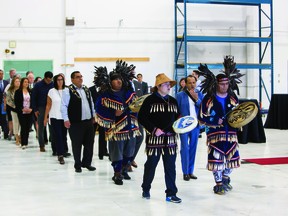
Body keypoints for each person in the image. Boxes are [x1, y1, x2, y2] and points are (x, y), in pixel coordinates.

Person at [197, 55, 244, 195]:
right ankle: (218, 184)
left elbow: (240, 113)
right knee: (216, 161)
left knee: (232, 160)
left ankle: (225, 178)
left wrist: (240, 122)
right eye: (222, 84)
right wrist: (213, 121)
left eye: (227, 84)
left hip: (231, 135)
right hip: (215, 136)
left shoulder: (233, 97)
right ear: (216, 84)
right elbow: (201, 117)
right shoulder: (208, 99)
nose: (225, 86)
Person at [94, 61, 141, 185]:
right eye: (115, 80)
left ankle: (125, 169)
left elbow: (137, 106)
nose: (118, 81)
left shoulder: (129, 92)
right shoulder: (105, 96)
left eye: (120, 79)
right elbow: (99, 110)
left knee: (129, 151)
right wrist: (113, 114)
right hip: (116, 129)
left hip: (130, 127)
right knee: (117, 152)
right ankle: (117, 173)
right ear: (110, 82)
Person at [138, 73, 182, 203]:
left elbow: (178, 116)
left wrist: (182, 123)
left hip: (171, 139)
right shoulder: (149, 100)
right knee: (151, 165)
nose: (169, 87)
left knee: (170, 167)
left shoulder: (173, 101)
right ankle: (146, 188)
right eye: (166, 84)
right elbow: (141, 118)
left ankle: (171, 193)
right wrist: (153, 129)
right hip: (154, 139)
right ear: (159, 86)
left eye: (170, 84)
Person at [61, 71, 96, 173]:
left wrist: (93, 115)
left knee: (89, 143)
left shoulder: (86, 89)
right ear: (72, 79)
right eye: (77, 77)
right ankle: (78, 165)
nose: (80, 78)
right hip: (75, 123)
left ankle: (87, 163)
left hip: (88, 122)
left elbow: (91, 103)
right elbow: (63, 106)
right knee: (77, 144)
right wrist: (66, 119)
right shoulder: (68, 90)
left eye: (81, 76)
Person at [176, 75, 203, 181]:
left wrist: (197, 100)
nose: (192, 85)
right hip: (183, 126)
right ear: (185, 84)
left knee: (193, 148)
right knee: (185, 149)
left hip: (195, 126)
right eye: (190, 83)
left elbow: (204, 109)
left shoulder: (199, 94)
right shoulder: (180, 95)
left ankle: (191, 171)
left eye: (193, 82)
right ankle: (185, 172)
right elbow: (176, 110)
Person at [44, 74, 69, 165]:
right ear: (55, 81)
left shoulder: (67, 90)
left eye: (61, 79)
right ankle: (60, 155)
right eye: (58, 80)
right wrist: (45, 117)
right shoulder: (51, 91)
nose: (60, 81)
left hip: (65, 117)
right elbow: (48, 105)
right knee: (58, 136)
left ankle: (63, 151)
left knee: (63, 136)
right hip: (54, 117)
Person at [130, 73, 149, 170]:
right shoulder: (123, 85)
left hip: (139, 115)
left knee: (140, 137)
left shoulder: (139, 84)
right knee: (130, 140)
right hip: (127, 117)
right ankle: (125, 162)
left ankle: (130, 159)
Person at [31, 71, 53, 152]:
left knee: (52, 127)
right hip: (41, 108)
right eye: (48, 80)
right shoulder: (38, 85)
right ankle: (41, 145)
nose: (49, 81)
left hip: (51, 107)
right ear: (45, 78)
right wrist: (35, 109)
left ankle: (53, 144)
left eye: (50, 80)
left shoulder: (53, 84)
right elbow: (33, 98)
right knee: (41, 127)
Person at [89, 79, 109, 160]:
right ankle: (89, 152)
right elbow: (89, 103)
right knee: (91, 136)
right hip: (93, 116)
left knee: (103, 134)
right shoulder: (90, 89)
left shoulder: (106, 90)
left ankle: (103, 152)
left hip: (103, 116)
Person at [14, 78, 33, 149]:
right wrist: (22, 109)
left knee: (28, 127)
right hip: (22, 112)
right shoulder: (18, 92)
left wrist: (31, 109)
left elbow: (33, 101)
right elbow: (16, 102)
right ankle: (23, 143)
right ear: (22, 83)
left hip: (29, 112)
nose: (26, 83)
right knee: (23, 126)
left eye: (27, 82)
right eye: (25, 82)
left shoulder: (30, 91)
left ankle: (26, 142)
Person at [5, 76, 21, 145]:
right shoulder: (10, 90)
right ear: (13, 83)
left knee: (21, 124)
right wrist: (15, 107)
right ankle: (16, 137)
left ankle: (21, 137)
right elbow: (8, 100)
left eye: (19, 81)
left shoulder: (22, 90)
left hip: (22, 109)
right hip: (14, 109)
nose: (18, 83)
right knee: (15, 123)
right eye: (16, 81)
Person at [0, 69, 9, 139]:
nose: (1, 75)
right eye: (0, 74)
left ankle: (6, 133)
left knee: (4, 118)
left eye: (2, 74)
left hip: (4, 104)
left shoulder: (6, 82)